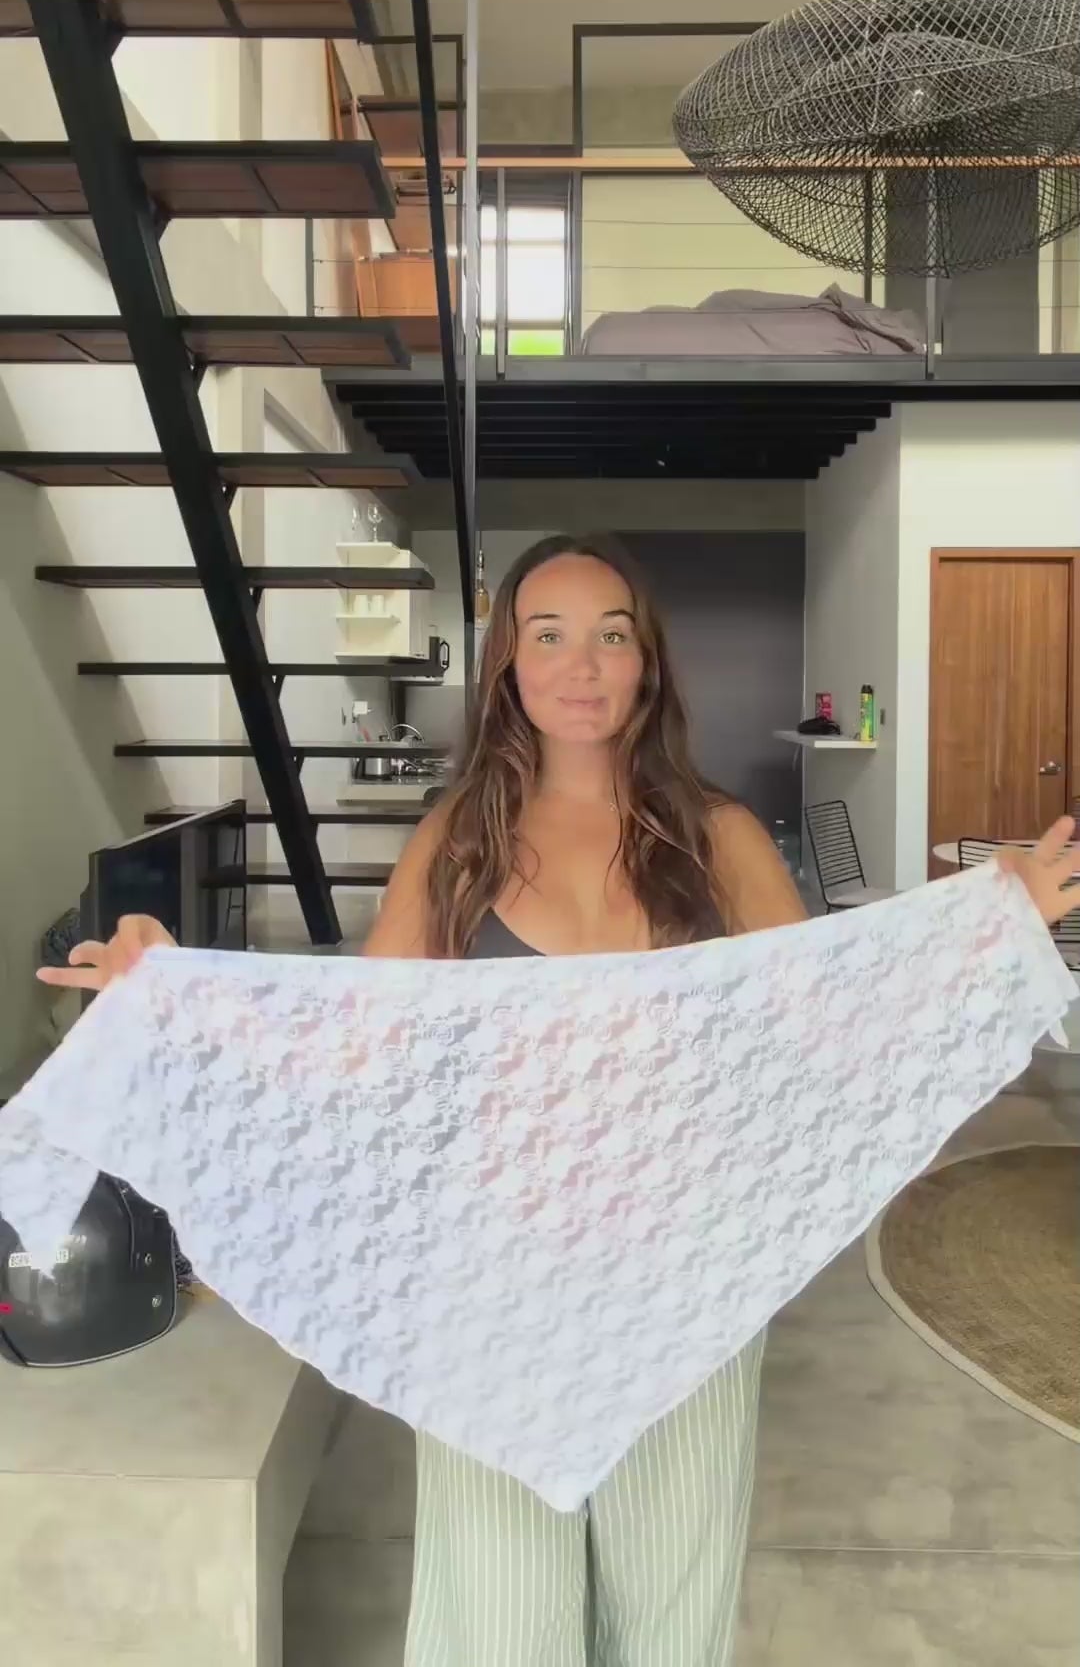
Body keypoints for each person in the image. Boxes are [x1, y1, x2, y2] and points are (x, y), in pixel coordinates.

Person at [39, 534, 1080, 1667]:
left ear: (646, 663)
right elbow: (354, 1048)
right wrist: (173, 992)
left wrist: (986, 931)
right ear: (509, 667)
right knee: (503, 1622)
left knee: (670, 1617)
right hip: (494, 1281)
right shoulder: (456, 845)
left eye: (610, 635)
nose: (581, 665)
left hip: (685, 1279)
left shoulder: (719, 838)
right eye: (549, 635)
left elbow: (831, 1028)